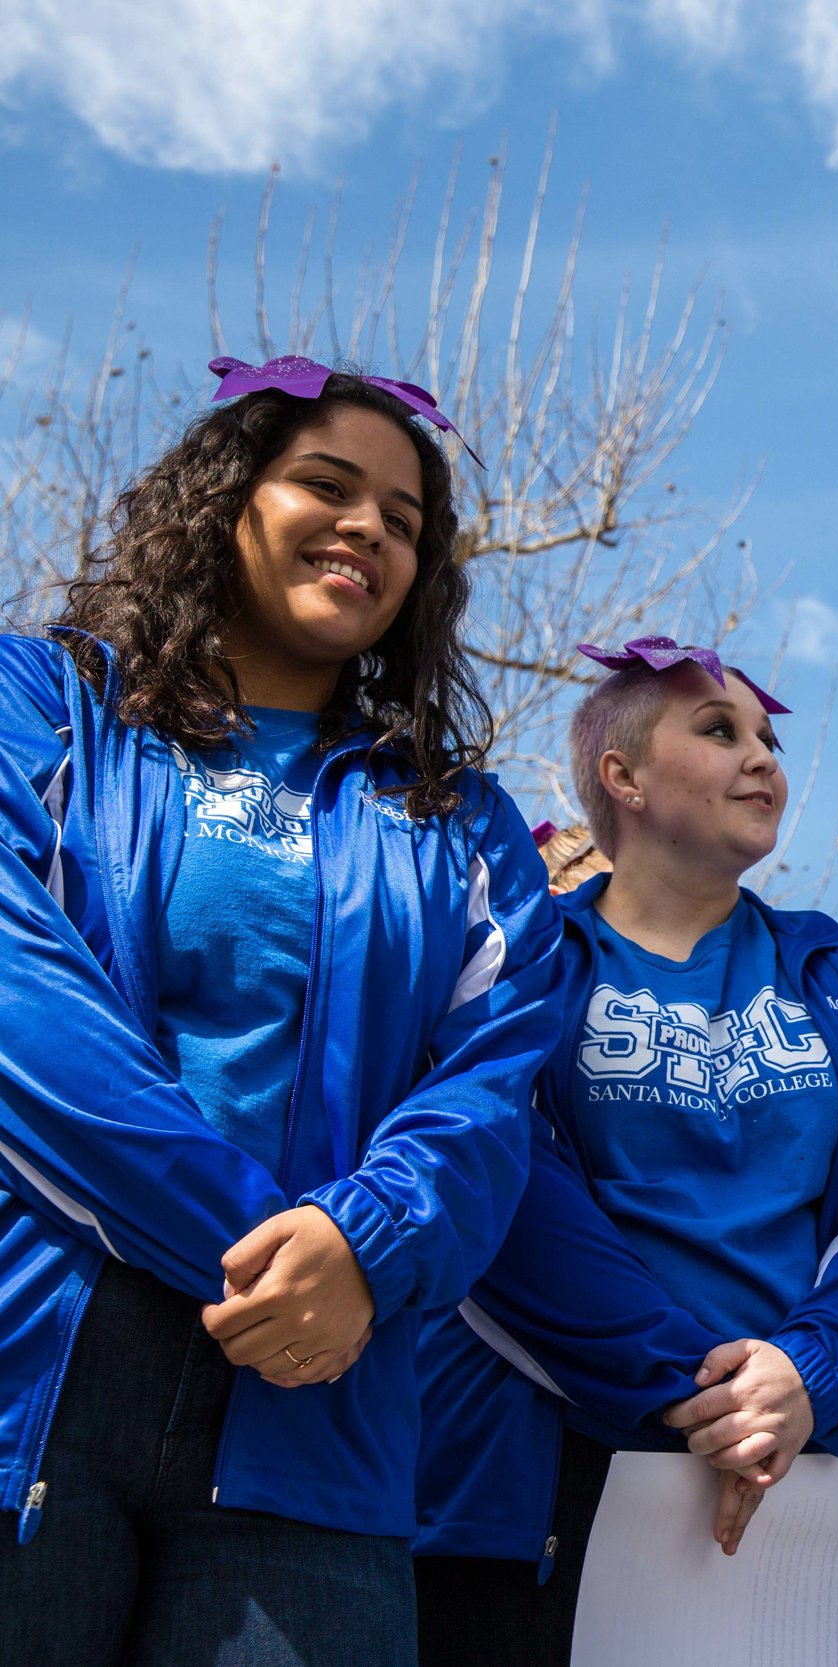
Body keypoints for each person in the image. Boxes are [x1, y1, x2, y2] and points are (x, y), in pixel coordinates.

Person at [0, 354, 564, 1665]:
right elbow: (20, 1000)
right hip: (35, 1365)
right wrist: (273, 1245)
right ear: (224, 498)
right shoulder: (40, 706)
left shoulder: (465, 823)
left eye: (406, 519)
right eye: (326, 482)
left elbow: (488, 1097)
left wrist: (365, 1243)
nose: (369, 526)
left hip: (322, 1414)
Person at [410, 637, 838, 1665]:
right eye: (719, 730)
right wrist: (702, 1392)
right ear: (620, 775)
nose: (762, 758)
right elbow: (504, 1181)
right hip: (548, 1480)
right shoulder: (522, 966)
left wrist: (807, 1372)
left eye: (767, 736)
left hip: (810, 1472)